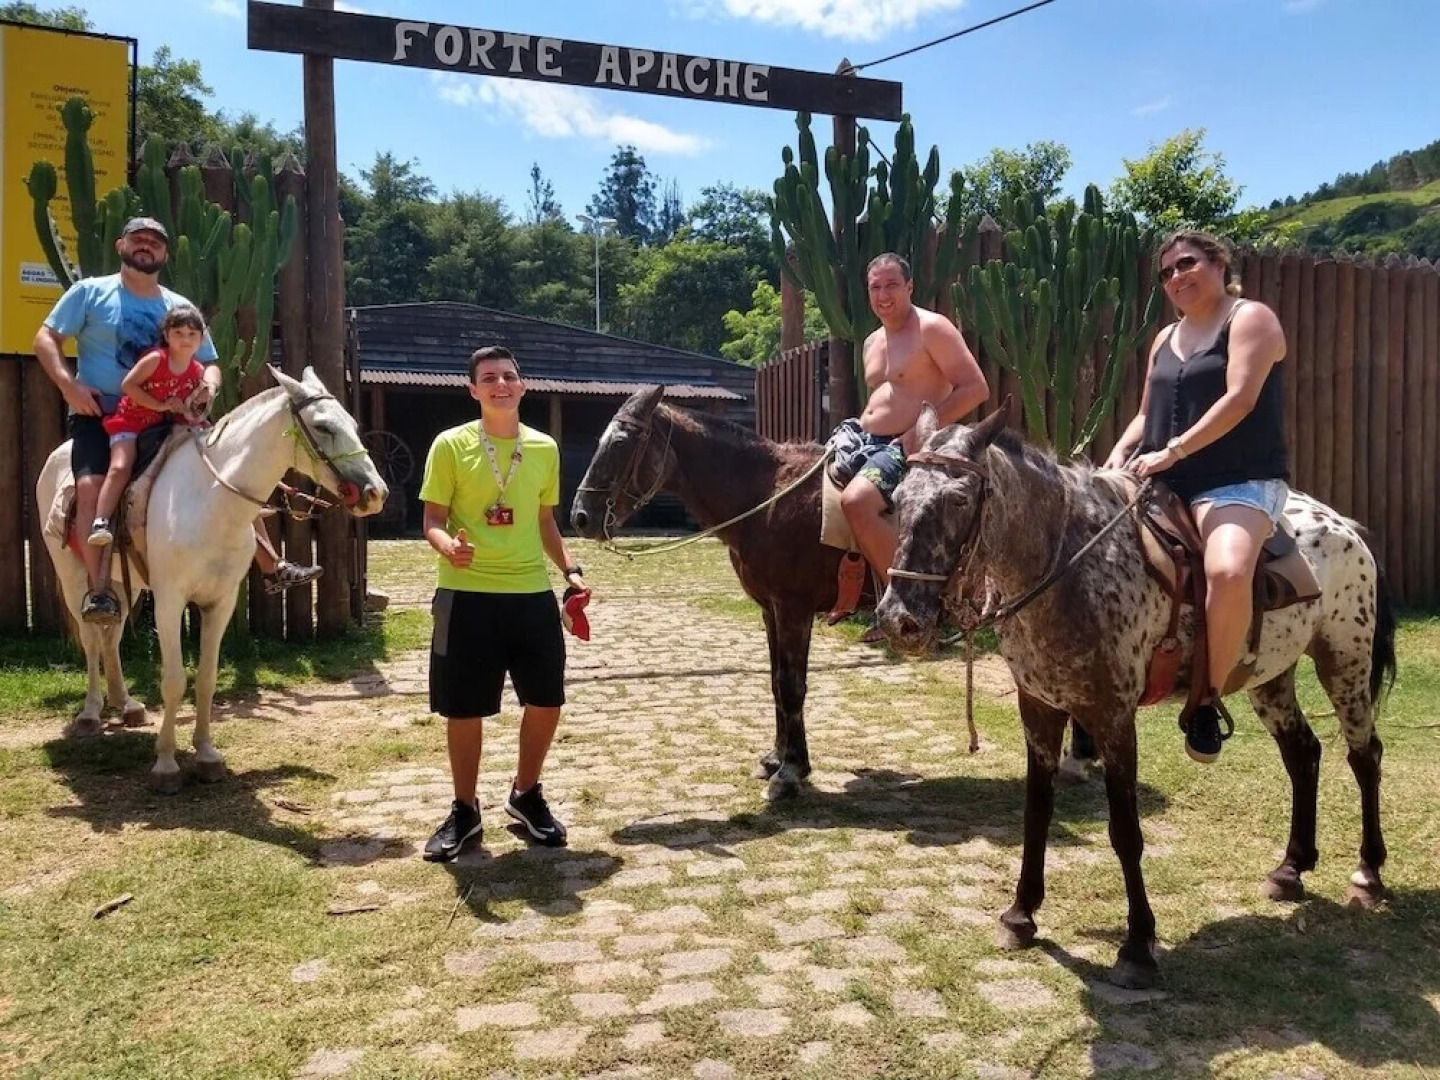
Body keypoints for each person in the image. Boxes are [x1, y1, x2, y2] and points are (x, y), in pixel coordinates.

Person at [33, 216, 322, 624]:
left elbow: (210, 362)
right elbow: (45, 338)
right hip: (102, 413)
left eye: (155, 242)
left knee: (227, 474)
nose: (145, 246)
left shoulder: (177, 306)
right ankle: (98, 591)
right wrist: (69, 387)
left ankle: (271, 565)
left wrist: (210, 387)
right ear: (121, 246)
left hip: (171, 415)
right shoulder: (89, 292)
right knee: (89, 486)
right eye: (138, 239)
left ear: (166, 254)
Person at [1106, 230, 1289, 764]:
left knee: (1228, 572)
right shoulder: (1165, 338)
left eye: (1186, 264)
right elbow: (1146, 415)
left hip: (1236, 481)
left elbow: (1240, 399)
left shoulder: (1251, 318)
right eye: (1166, 272)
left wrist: (1173, 452)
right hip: (1160, 481)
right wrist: (1116, 457)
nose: (1175, 277)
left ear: (1219, 264)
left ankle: (1207, 700)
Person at [419, 345, 589, 862]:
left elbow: (544, 521)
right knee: (463, 708)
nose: (500, 384)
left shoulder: (544, 448)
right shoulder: (449, 445)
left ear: (523, 386)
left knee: (547, 700)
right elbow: (432, 519)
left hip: (530, 594)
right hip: (465, 596)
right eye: (489, 377)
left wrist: (570, 570)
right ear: (473, 389)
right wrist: (448, 546)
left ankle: (526, 793)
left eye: (509, 376)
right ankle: (464, 810)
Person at [833, 252, 991, 588]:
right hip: (863, 439)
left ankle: (908, 600)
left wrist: (918, 431)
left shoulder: (932, 328)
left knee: (856, 503)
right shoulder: (871, 341)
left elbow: (976, 388)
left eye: (892, 285)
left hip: (909, 444)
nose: (883, 294)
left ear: (910, 286)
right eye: (875, 287)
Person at [88, 304, 209, 547]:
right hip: (132, 420)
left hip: (167, 424)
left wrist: (194, 403)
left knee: (208, 449)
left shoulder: (197, 370)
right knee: (120, 466)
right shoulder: (156, 359)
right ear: (166, 335)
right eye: (178, 333)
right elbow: (128, 385)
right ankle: (101, 520)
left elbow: (189, 404)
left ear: (201, 339)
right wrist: (160, 405)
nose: (185, 339)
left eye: (192, 334)